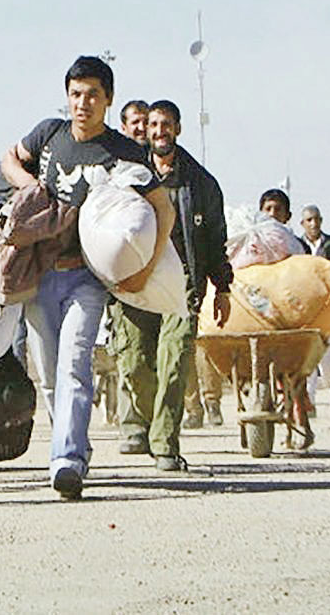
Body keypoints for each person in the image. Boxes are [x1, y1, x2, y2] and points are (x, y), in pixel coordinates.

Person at [0, 55, 169, 499]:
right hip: (40, 274)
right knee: (50, 375)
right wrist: (29, 187)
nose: (83, 103)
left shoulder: (124, 152)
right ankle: (73, 443)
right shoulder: (49, 135)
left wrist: (144, 269)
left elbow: (162, 208)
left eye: (93, 95)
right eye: (76, 94)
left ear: (108, 99)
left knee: (75, 364)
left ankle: (67, 460)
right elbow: (10, 159)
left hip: (86, 279)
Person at [112, 100, 231, 471]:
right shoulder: (128, 175)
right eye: (153, 125)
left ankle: (165, 445)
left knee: (174, 362)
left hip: (183, 284)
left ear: (177, 129)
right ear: (146, 130)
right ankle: (150, 424)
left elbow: (215, 240)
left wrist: (222, 287)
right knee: (134, 363)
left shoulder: (201, 183)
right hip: (136, 281)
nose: (160, 131)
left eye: (166, 124)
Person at [299, 204, 330, 416]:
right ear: (302, 223)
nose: (314, 224)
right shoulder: (297, 246)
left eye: (317, 219)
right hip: (306, 309)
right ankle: (308, 402)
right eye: (309, 220)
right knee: (306, 359)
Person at [259, 188, 310, 253]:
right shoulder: (252, 244)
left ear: (288, 216)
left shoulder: (299, 247)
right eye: (268, 209)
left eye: (277, 209)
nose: (272, 214)